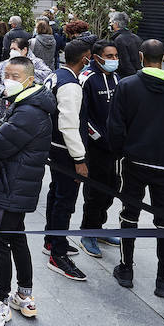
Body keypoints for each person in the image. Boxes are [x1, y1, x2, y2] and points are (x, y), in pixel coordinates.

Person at [106, 40, 164, 298]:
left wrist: (121, 153)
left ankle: (126, 268)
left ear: (141, 56)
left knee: (129, 213)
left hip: (134, 161)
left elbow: (115, 127)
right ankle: (163, 278)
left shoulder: (126, 86)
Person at [0, 57, 57, 326]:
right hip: (17, 183)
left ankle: (0, 300)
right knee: (16, 237)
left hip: (11, 185)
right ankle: (24, 294)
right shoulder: (29, 103)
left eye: (14, 75)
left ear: (30, 78)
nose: (8, 80)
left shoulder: (29, 111)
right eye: (6, 74)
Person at [44, 40, 93, 281]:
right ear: (85, 59)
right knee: (65, 200)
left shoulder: (55, 76)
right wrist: (80, 158)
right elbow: (69, 125)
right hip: (65, 150)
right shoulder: (71, 85)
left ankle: (52, 239)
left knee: (56, 194)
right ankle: (58, 254)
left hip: (54, 146)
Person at [76, 41, 124, 260]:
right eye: (109, 56)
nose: (114, 59)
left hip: (116, 148)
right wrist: (99, 138)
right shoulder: (86, 79)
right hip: (95, 148)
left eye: (115, 55)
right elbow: (81, 116)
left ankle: (99, 227)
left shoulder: (117, 78)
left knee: (112, 188)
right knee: (94, 192)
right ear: (97, 57)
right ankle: (88, 232)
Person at [0, 37, 52, 107]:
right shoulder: (5, 63)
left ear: (24, 50)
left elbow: (48, 74)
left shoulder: (36, 62)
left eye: (14, 49)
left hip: (27, 104)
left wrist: (26, 70)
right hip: (5, 105)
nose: (12, 51)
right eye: (11, 49)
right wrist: (3, 90)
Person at [109, 12, 141, 77]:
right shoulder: (136, 37)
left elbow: (124, 63)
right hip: (137, 74)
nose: (110, 25)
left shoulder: (118, 40)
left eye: (111, 22)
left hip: (126, 77)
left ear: (116, 24)